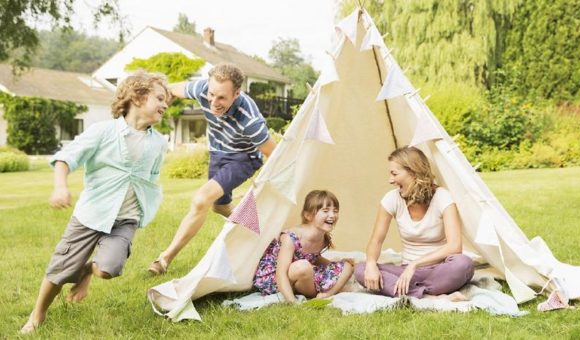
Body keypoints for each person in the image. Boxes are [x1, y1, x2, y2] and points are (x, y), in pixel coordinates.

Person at [20, 71, 170, 333]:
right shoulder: (103, 131)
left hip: (126, 219)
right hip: (91, 215)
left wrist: (147, 205)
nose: (165, 104)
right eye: (159, 98)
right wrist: (60, 187)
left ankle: (89, 271)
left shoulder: (158, 143)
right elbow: (66, 158)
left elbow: (152, 177)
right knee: (60, 270)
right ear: (137, 96)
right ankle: (37, 316)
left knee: (108, 269)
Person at [148, 64, 276, 275]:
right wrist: (158, 105)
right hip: (217, 153)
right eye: (211, 94)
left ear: (237, 93)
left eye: (222, 98)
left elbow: (273, 154)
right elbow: (169, 89)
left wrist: (258, 186)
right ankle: (262, 233)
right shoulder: (203, 89)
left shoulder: (250, 120)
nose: (214, 103)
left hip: (242, 158)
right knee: (220, 207)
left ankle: (164, 259)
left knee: (201, 200)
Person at [355, 147, 474, 301]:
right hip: (406, 273)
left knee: (464, 263)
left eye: (394, 173)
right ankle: (431, 297)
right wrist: (371, 264)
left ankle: (410, 292)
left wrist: (415, 264)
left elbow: (454, 246)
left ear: (413, 172)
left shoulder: (443, 197)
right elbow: (376, 241)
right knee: (361, 269)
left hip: (440, 270)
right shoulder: (391, 199)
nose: (390, 180)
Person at [253, 190, 354, 302]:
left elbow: (313, 257)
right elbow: (280, 273)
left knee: (347, 267)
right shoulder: (291, 237)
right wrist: (292, 301)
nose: (332, 215)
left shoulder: (322, 238)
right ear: (308, 215)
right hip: (275, 279)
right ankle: (310, 292)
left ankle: (327, 294)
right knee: (303, 267)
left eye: (335, 211)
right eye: (325, 211)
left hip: (301, 275)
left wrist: (335, 265)